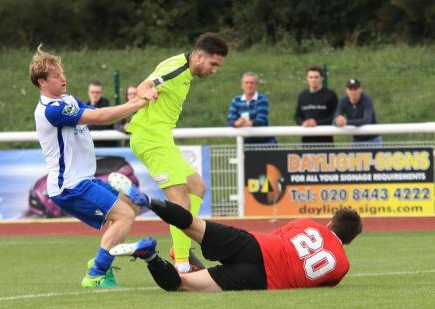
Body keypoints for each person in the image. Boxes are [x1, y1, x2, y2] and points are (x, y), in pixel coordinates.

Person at [108, 172, 362, 292]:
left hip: (256, 245)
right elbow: (321, 283)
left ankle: (147, 201)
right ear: (349, 241)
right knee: (183, 285)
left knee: (193, 224)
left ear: (329, 223)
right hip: (259, 279)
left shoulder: (308, 224)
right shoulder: (342, 265)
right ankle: (151, 256)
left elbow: (279, 238)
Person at [29, 45, 147, 288]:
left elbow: (101, 113)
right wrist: (138, 103)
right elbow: (101, 118)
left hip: (83, 179)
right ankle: (96, 273)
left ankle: (100, 260)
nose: (64, 78)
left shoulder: (68, 100)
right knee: (123, 215)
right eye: (56, 75)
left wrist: (134, 108)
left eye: (63, 73)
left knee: (130, 207)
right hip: (69, 185)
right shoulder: (51, 110)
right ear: (42, 82)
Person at [127, 32, 229, 273]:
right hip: (151, 140)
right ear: (200, 56)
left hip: (162, 139)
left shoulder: (184, 69)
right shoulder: (176, 68)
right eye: (213, 64)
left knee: (197, 187)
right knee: (181, 202)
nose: (215, 70)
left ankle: (179, 246)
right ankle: (182, 265)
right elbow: (145, 85)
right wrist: (146, 92)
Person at [227, 72, 277, 144]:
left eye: (252, 83)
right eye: (246, 83)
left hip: (266, 142)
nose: (249, 85)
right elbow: (229, 122)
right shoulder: (236, 100)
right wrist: (236, 123)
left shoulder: (262, 99)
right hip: (246, 144)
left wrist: (241, 124)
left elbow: (261, 121)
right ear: (242, 85)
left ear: (256, 85)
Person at [294, 65, 338, 144]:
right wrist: (302, 123)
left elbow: (335, 117)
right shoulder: (302, 96)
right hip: (306, 141)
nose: (313, 80)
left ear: (321, 78)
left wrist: (316, 123)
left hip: (326, 141)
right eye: (310, 77)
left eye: (316, 77)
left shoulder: (330, 95)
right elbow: (297, 116)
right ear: (307, 79)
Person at [334, 79, 382, 144]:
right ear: (346, 90)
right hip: (356, 140)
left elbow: (367, 120)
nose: (353, 92)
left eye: (355, 89)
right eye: (350, 89)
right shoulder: (343, 101)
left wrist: (346, 122)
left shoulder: (367, 100)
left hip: (372, 139)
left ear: (360, 89)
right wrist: (338, 121)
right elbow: (336, 116)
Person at [86, 81, 118, 147]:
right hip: (91, 145)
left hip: (105, 145)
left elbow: (101, 124)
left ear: (102, 93)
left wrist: (86, 124)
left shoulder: (106, 104)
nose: (95, 95)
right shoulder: (86, 105)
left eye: (97, 92)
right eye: (92, 92)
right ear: (88, 92)